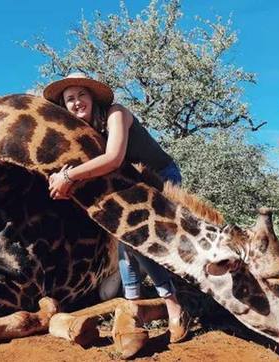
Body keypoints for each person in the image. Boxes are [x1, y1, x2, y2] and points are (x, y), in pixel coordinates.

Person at [43, 73, 190, 345]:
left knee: (133, 237)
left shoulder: (116, 114)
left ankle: (172, 305)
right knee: (125, 237)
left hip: (162, 178)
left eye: (81, 95)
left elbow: (113, 159)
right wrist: (60, 180)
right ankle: (134, 306)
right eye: (70, 99)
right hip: (133, 185)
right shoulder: (86, 132)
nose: (76, 103)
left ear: (93, 97)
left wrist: (68, 177)